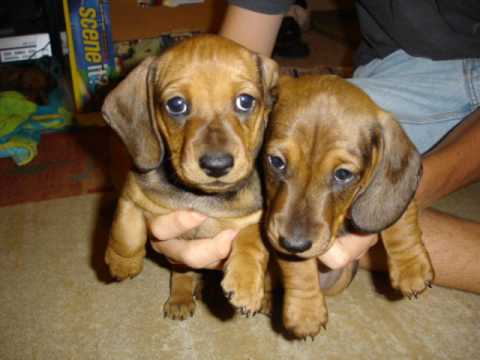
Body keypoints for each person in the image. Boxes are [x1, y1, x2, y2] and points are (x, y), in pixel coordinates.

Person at [149, 0, 480, 293]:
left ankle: (344, 245)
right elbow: (232, 74)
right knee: (309, 134)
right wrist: (167, 185)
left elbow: (389, 179)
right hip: (397, 71)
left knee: (348, 202)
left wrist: (390, 205)